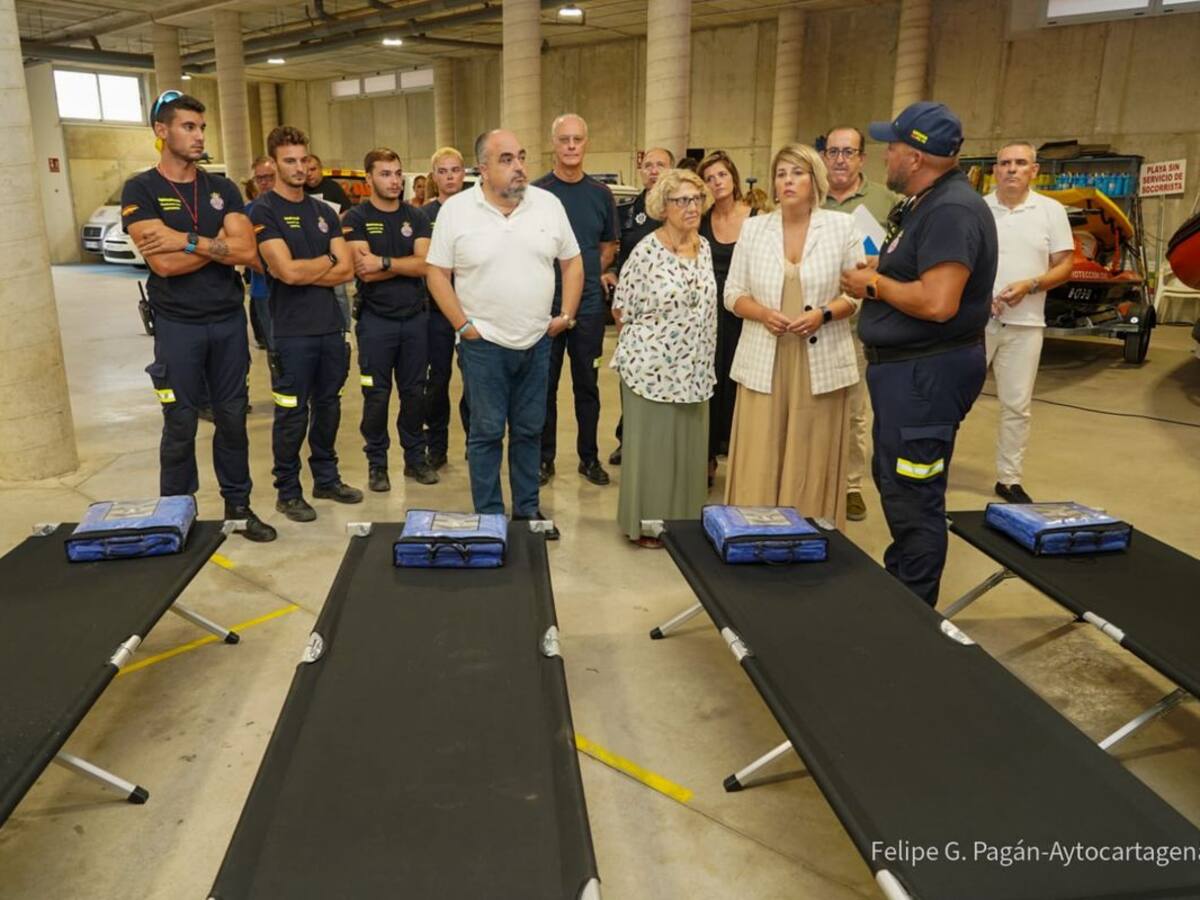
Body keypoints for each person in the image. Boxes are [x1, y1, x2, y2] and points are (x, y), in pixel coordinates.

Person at [841, 101, 998, 607]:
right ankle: (904, 588)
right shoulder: (925, 202)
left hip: (926, 376)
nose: (886, 155)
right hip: (910, 374)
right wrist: (883, 270)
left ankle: (914, 610)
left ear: (916, 156)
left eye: (893, 147)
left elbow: (937, 302)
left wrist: (872, 286)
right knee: (897, 482)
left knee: (914, 494)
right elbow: (919, 273)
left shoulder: (952, 210)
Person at [121, 91, 275, 542]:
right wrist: (215, 244)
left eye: (202, 127)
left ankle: (239, 508)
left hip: (227, 321)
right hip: (177, 324)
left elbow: (248, 252)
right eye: (189, 127)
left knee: (232, 419)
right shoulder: (141, 189)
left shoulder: (222, 189)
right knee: (181, 422)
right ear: (161, 130)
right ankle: (175, 514)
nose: (199, 136)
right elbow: (163, 264)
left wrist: (185, 240)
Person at [426, 130, 583, 537]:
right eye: (507, 159)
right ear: (483, 168)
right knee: (486, 433)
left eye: (522, 157)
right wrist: (464, 326)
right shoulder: (457, 211)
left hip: (537, 340)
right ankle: (490, 517)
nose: (519, 168)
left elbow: (572, 262)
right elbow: (437, 273)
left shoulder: (547, 205)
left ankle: (527, 511)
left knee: (530, 430)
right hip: (483, 346)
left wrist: (565, 315)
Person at [724, 144, 865, 530]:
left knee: (811, 449)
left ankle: (809, 529)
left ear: (815, 180)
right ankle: (754, 529)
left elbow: (856, 294)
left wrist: (822, 314)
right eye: (781, 173)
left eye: (797, 173)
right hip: (764, 357)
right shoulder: (754, 228)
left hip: (820, 360)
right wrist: (762, 314)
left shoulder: (841, 227)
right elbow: (732, 293)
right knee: (761, 448)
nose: (787, 181)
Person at [251, 125, 361, 522]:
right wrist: (327, 262)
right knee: (291, 414)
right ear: (274, 163)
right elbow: (285, 272)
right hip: (291, 333)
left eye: (303, 160)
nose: (299, 168)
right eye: (289, 161)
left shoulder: (323, 212)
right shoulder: (263, 211)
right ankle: (288, 491)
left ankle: (326, 479)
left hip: (330, 327)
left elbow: (347, 269)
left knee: (329, 408)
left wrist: (309, 268)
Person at [611, 169, 717, 547]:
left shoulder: (704, 247)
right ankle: (648, 524)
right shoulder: (646, 250)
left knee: (688, 451)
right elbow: (621, 308)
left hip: (695, 368)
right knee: (654, 452)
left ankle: (683, 524)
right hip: (650, 369)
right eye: (681, 200)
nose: (691, 207)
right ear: (663, 206)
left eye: (696, 199)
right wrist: (647, 350)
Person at [984, 140, 1074, 504]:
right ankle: (936, 470)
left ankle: (1009, 479)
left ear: (1034, 171)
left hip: (1026, 324)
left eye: (1020, 163)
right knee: (954, 401)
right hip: (977, 323)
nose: (1011, 169)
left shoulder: (1051, 211)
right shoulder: (978, 209)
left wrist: (1031, 285)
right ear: (995, 170)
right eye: (1005, 163)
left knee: (1017, 406)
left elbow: (1065, 266)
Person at [343, 147, 438, 491]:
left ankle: (415, 459)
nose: (395, 181)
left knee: (414, 394)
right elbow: (362, 271)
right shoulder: (355, 218)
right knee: (376, 396)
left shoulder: (417, 217)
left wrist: (383, 262)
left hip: (414, 320)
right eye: (385, 174)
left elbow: (425, 265)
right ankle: (377, 464)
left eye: (398, 173)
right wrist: (404, 265)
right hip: (375, 322)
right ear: (369, 178)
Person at [822, 125, 902, 523]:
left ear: (861, 158)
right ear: (824, 157)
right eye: (833, 152)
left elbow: (907, 254)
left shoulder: (887, 201)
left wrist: (879, 264)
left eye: (848, 152)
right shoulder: (811, 197)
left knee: (854, 411)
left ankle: (851, 485)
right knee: (814, 410)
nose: (840, 159)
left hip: (860, 324)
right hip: (813, 321)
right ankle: (816, 478)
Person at [534, 114, 619, 488]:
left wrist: (582, 276)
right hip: (545, 306)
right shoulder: (536, 193)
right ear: (553, 143)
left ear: (586, 143)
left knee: (588, 386)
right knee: (544, 388)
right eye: (564, 139)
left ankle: (589, 458)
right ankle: (544, 459)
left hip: (589, 309)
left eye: (577, 139)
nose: (571, 146)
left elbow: (607, 246)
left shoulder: (601, 195)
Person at [602, 146, 674, 466]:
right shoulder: (628, 211)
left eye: (661, 165)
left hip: (673, 310)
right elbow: (614, 250)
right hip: (634, 310)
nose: (654, 171)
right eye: (648, 165)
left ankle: (662, 442)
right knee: (632, 374)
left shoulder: (681, 209)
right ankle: (628, 439)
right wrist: (608, 271)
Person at [698, 150, 756, 472]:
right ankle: (706, 457)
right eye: (709, 178)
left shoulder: (756, 218)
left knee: (738, 385)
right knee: (710, 384)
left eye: (721, 175)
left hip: (743, 313)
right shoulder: (701, 220)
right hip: (708, 316)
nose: (717, 182)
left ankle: (740, 461)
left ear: (733, 177)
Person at [421, 146, 470, 469]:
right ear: (434, 177)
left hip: (472, 309)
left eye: (455, 170)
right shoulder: (423, 215)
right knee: (437, 381)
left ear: (463, 174)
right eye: (443, 171)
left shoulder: (477, 210)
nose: (450, 177)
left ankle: (476, 441)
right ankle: (436, 447)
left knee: (475, 381)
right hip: (436, 311)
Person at [305, 153, 353, 329]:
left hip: (332, 246)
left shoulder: (332, 187)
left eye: (313, 169)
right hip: (309, 248)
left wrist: (334, 222)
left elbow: (347, 210)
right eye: (306, 170)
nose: (309, 174)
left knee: (339, 292)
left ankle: (344, 328)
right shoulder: (299, 190)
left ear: (320, 169)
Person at [246, 155, 277, 350]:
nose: (265, 182)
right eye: (260, 178)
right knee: (275, 349)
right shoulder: (248, 212)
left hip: (299, 289)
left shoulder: (297, 207)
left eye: (270, 177)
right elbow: (243, 250)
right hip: (263, 289)